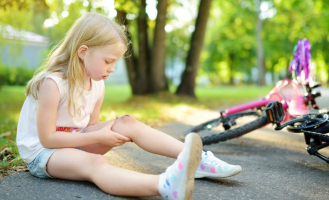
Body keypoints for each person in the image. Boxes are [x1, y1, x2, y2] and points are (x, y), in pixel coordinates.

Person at [16, 13, 242, 199]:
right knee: (95, 163)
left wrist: (102, 134)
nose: (112, 68)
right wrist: (98, 138)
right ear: (83, 53)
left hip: (73, 142)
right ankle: (166, 185)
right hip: (43, 154)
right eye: (108, 61)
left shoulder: (96, 85)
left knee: (126, 123)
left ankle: (198, 159)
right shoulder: (53, 83)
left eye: (116, 62)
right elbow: (48, 139)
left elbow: (90, 127)